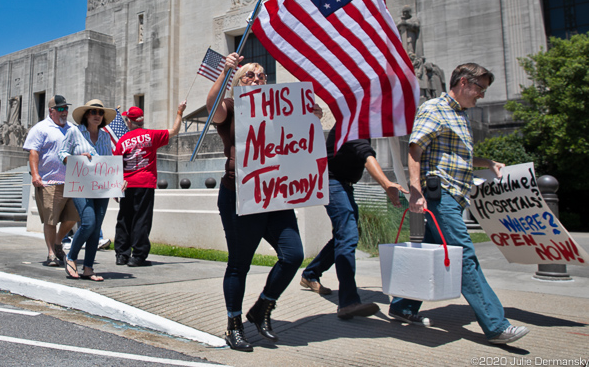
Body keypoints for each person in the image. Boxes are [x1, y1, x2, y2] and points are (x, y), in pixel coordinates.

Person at [389, 63, 530, 346]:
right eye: (479, 88)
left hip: (452, 196)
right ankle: (496, 325)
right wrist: (416, 192)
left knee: (429, 254)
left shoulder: (460, 116)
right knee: (464, 255)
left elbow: (457, 157)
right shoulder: (435, 109)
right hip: (440, 197)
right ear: (463, 82)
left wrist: (487, 163)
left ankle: (402, 306)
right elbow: (415, 148)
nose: (481, 95)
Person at [207, 52, 306, 351]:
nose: (257, 79)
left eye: (261, 76)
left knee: (293, 255)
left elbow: (298, 141)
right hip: (241, 194)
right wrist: (224, 73)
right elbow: (211, 108)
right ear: (238, 81)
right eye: (249, 75)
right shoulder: (231, 106)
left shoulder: (280, 111)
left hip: (275, 193)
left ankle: (262, 308)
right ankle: (234, 325)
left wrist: (307, 116)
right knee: (240, 264)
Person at [300, 128, 408, 319]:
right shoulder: (351, 124)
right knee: (347, 236)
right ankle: (348, 302)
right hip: (333, 183)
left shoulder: (358, 123)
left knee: (344, 236)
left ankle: (310, 273)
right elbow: (365, 155)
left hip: (344, 185)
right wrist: (386, 184)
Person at [113, 100, 186, 267]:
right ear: (141, 120)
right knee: (141, 219)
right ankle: (138, 256)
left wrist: (115, 188)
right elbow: (174, 130)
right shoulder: (152, 135)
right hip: (145, 183)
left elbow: (116, 165)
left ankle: (121, 254)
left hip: (126, 184)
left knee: (124, 218)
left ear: (129, 121)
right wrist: (179, 112)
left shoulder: (122, 140)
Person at [58, 99, 118, 282]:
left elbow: (109, 162)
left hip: (100, 186)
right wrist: (77, 158)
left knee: (96, 226)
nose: (97, 116)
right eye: (93, 112)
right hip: (80, 183)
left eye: (100, 113)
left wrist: (116, 184)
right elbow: (62, 153)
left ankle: (88, 268)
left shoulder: (106, 136)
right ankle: (71, 256)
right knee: (88, 221)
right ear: (86, 115)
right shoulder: (75, 132)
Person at [23, 95, 79, 267]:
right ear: (51, 111)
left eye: (66, 108)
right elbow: (34, 152)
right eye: (60, 109)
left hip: (71, 182)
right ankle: (51, 254)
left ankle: (57, 241)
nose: (64, 112)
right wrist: (35, 174)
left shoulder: (73, 129)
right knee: (51, 219)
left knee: (72, 218)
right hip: (49, 181)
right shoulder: (41, 128)